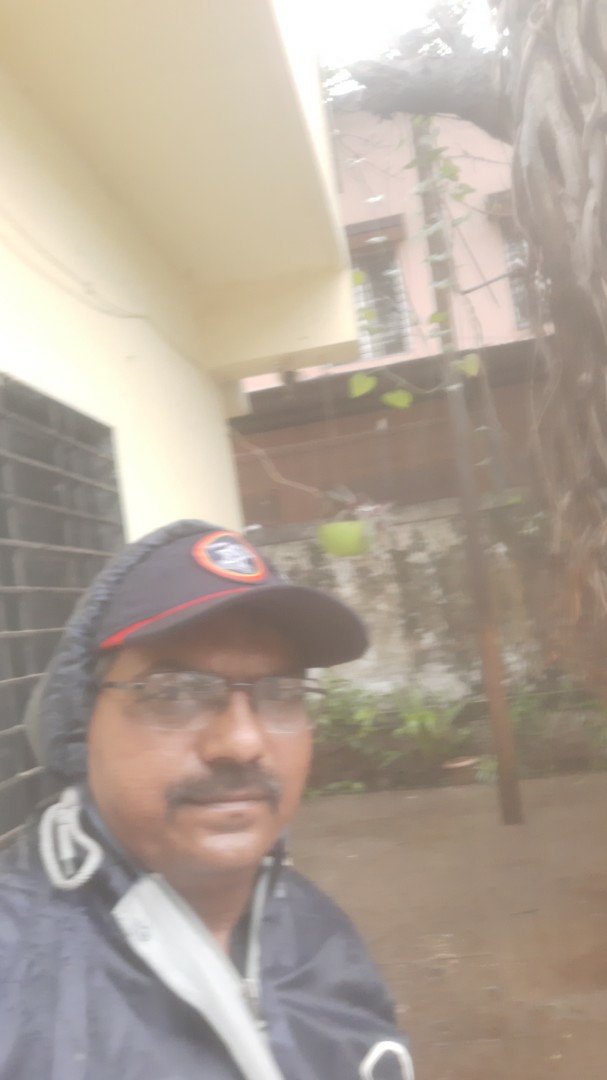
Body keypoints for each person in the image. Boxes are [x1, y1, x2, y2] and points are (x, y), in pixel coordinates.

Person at [0, 520, 413, 1080]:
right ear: (82, 723)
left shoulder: (319, 932)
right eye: (174, 692)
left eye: (280, 692)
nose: (243, 743)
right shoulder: (16, 975)